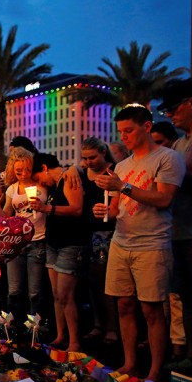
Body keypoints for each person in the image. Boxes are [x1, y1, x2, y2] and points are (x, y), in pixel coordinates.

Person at [94, 104, 185, 382]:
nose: (124, 137)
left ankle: (155, 370)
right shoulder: (122, 166)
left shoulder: (168, 158)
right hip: (122, 242)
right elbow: (118, 208)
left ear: (147, 127)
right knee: (123, 305)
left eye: (129, 130)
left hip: (152, 243)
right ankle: (130, 362)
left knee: (152, 310)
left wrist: (123, 187)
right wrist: (104, 211)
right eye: (121, 132)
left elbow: (164, 199)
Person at [30, 152, 86, 353]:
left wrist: (47, 208)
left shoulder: (68, 180)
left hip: (70, 243)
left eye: (38, 178)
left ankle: (74, 341)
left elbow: (76, 209)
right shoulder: (56, 184)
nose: (40, 183)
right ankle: (61, 335)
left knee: (65, 294)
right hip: (53, 243)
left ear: (44, 168)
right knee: (56, 293)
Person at [158, 79, 192, 371]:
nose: (170, 114)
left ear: (191, 102)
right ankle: (189, 356)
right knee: (184, 295)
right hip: (179, 230)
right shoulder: (180, 143)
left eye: (173, 108)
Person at [0, 147, 47, 316]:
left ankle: (35, 328)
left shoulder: (42, 184)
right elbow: (5, 217)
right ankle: (13, 326)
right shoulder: (12, 189)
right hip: (17, 244)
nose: (23, 173)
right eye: (19, 170)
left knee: (35, 292)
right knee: (14, 290)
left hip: (38, 241)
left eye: (27, 169)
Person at [78, 138, 120, 344]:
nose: (88, 162)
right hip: (87, 232)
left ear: (104, 153)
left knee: (106, 282)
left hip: (107, 232)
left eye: (92, 157)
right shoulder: (82, 173)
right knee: (92, 282)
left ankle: (111, 327)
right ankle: (98, 324)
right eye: (85, 158)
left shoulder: (114, 172)